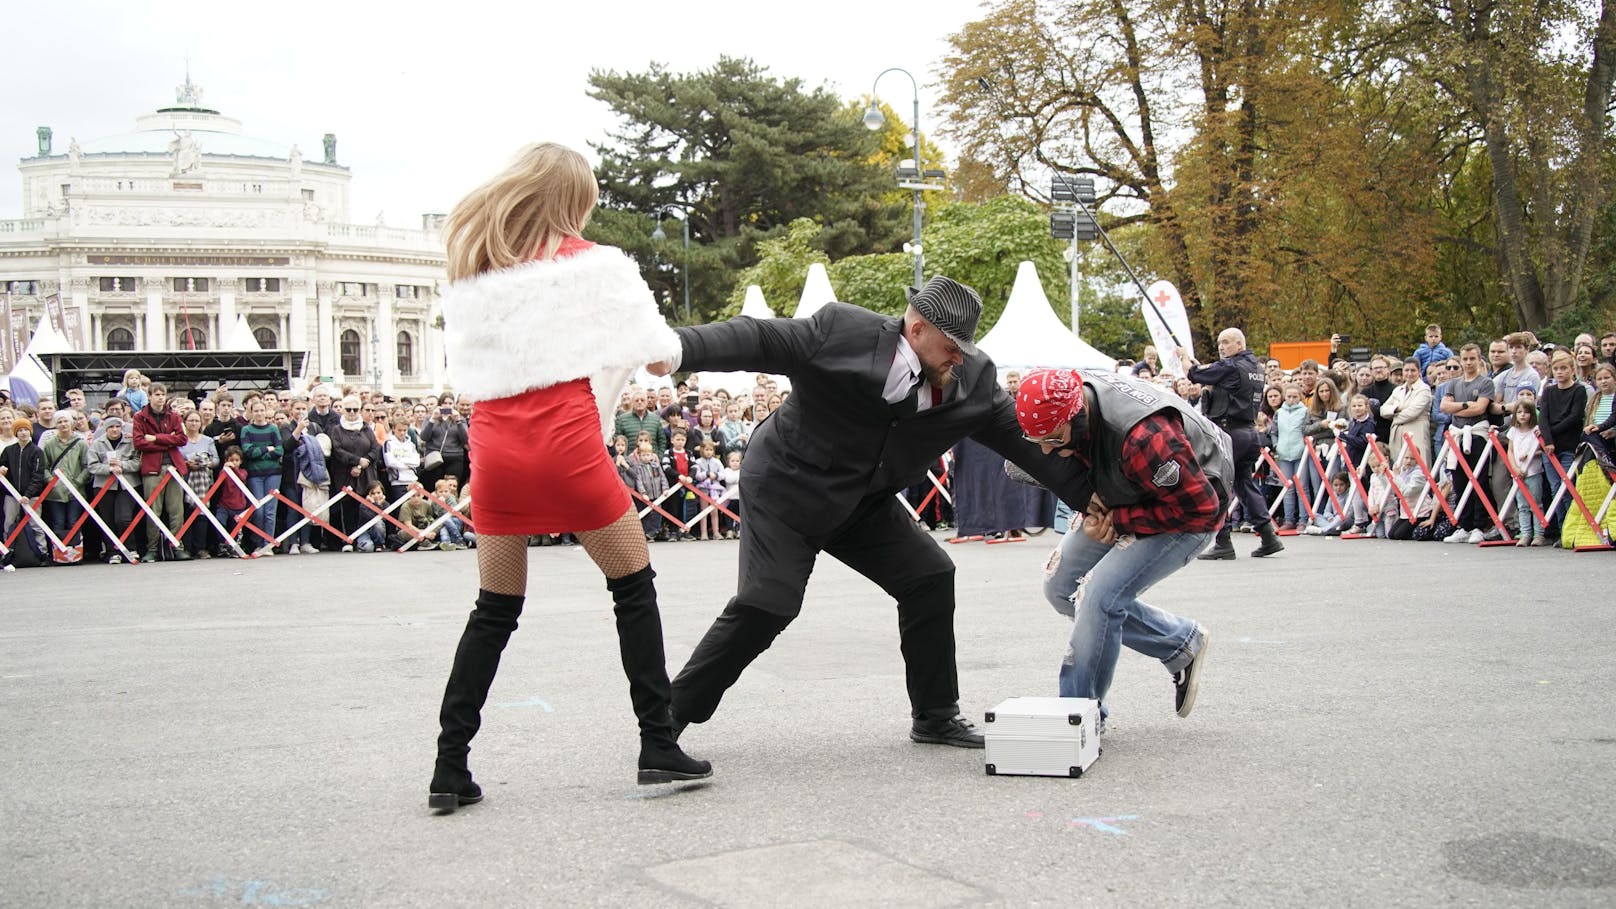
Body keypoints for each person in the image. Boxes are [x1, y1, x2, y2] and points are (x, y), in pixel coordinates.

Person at [649, 275, 1096, 751]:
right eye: (951, 345)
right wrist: (677, 350)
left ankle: (936, 715)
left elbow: (1032, 449)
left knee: (928, 576)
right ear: (918, 327)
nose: (960, 356)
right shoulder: (841, 332)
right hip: (787, 488)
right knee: (768, 603)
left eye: (966, 346)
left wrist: (1095, 500)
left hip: (861, 500)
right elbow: (760, 337)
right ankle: (667, 720)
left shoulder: (976, 382)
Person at [430, 142, 711, 814]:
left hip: (494, 450)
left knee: (494, 608)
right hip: (566, 443)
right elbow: (660, 349)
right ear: (574, 199)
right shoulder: (595, 267)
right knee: (632, 585)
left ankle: (449, 764)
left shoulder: (477, 272)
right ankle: (657, 741)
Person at [1015, 368, 1222, 726]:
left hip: (1188, 512)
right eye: (1038, 441)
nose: (1046, 448)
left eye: (1053, 438)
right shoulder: (1057, 409)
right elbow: (1052, 461)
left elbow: (1201, 508)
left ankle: (1080, 714)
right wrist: (1090, 506)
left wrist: (1121, 521)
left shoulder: (1145, 437)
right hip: (1127, 491)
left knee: (1098, 597)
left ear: (1077, 417)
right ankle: (1179, 642)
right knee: (1059, 587)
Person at [1180, 328, 1283, 560]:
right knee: (1245, 484)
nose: (1221, 346)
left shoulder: (1231, 366)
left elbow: (1192, 374)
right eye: (1219, 342)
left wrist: (1184, 357)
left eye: (1226, 342)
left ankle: (1223, 541)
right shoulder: (1256, 367)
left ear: (1239, 344)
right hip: (1248, 433)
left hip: (1228, 433)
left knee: (1217, 485)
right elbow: (1222, 381)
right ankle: (1269, 537)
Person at [1440, 344, 1496, 544]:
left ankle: (1479, 524)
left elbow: (1480, 408)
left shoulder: (1486, 383)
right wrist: (1464, 406)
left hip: (1477, 434)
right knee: (1459, 480)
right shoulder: (1453, 384)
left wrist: (1459, 409)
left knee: (1478, 480)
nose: (1468, 363)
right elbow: (1444, 406)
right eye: (1465, 359)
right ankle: (1463, 524)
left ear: (1479, 359)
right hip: (1457, 434)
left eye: (1472, 358)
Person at [132, 384, 190, 562]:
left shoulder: (174, 416)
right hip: (152, 468)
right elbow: (139, 442)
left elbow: (182, 439)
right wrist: (168, 439)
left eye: (162, 394)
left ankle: (176, 545)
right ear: (149, 396)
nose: (160, 398)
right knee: (153, 510)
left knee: (176, 510)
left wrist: (156, 438)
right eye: (156, 394)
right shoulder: (140, 417)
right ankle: (152, 549)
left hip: (174, 466)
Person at [1537, 348, 1587, 541]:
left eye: (1564, 368)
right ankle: (1560, 528)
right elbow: (1543, 418)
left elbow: (1574, 418)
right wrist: (1547, 440)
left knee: (1567, 488)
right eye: (1556, 368)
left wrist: (1551, 434)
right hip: (1549, 447)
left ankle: (1571, 528)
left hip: (1568, 445)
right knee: (1554, 487)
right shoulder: (1549, 391)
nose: (1559, 372)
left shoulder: (1579, 390)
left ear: (1572, 369)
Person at [238, 398, 286, 558]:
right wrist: (267, 449)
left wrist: (261, 452)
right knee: (258, 510)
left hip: (273, 473)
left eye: (261, 410)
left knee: (270, 510)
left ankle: (268, 543)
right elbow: (248, 452)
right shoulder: (246, 430)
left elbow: (279, 450)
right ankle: (258, 542)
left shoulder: (273, 429)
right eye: (256, 411)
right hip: (255, 474)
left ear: (266, 412)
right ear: (251, 412)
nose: (259, 413)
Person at [88, 416, 140, 563]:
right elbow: (91, 466)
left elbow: (137, 463)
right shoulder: (98, 444)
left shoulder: (130, 442)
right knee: (107, 519)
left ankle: (130, 547)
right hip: (104, 486)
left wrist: (122, 465)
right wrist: (109, 468)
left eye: (117, 426)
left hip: (127, 484)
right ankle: (111, 551)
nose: (115, 430)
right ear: (106, 429)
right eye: (111, 427)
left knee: (123, 518)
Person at [39, 411, 89, 560]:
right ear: (55, 425)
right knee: (58, 523)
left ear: (71, 423)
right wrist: (51, 482)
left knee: (74, 522)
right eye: (59, 422)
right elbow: (44, 467)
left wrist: (79, 481)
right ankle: (59, 554)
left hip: (76, 490)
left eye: (65, 421)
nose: (63, 424)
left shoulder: (80, 443)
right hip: (55, 492)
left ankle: (75, 554)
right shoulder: (49, 445)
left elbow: (86, 466)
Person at [1505, 392, 1546, 546]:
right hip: (1517, 473)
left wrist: (1531, 455)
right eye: (1519, 412)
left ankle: (1539, 534)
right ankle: (1525, 533)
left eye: (1526, 412)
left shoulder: (1536, 430)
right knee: (1522, 504)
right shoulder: (1513, 431)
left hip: (1533, 471)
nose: (1523, 415)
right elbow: (1510, 451)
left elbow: (1542, 449)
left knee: (1536, 503)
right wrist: (1514, 467)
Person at [177, 410, 219, 559]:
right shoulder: (180, 440)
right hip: (185, 479)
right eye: (191, 421)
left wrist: (205, 463)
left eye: (196, 421)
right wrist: (186, 463)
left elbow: (216, 460)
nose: (194, 424)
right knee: (187, 513)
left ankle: (200, 547)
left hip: (203, 481)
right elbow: (175, 458)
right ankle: (187, 547)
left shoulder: (207, 440)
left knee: (202, 514)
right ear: (185, 422)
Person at [1380, 360, 1432, 465]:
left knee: (1418, 465)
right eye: (1406, 370)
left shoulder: (1424, 390)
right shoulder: (1398, 390)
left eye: (1413, 370)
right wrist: (1398, 408)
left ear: (1419, 372)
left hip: (1417, 431)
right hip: (1398, 434)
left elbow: (1412, 413)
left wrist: (1393, 415)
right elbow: (1383, 410)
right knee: (1398, 466)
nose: (1409, 373)